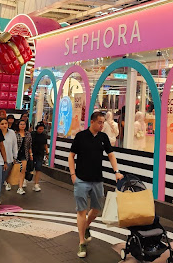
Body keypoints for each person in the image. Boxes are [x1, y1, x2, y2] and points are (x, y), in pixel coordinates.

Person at [68, 111, 123, 258]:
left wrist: (116, 171)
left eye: (103, 122)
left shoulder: (103, 137)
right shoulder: (81, 136)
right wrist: (73, 174)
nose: (102, 125)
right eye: (99, 122)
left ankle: (85, 226)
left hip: (97, 179)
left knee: (97, 209)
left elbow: (111, 155)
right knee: (81, 210)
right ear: (92, 122)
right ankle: (81, 242)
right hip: (81, 179)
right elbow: (71, 156)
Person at [0, 118, 17, 204]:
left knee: (3, 179)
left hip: (9, 159)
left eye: (6, 123)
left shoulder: (12, 133)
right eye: (2, 124)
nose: (4, 125)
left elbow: (14, 145)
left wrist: (15, 156)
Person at [14, 119, 32, 194]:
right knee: (14, 169)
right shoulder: (15, 134)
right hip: (16, 153)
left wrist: (30, 154)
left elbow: (29, 145)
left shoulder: (28, 134)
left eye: (24, 124)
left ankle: (20, 187)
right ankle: (9, 182)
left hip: (24, 153)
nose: (22, 126)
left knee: (23, 169)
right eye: (21, 124)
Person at [31, 123, 49, 192]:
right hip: (32, 153)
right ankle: (25, 179)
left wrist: (47, 153)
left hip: (40, 154)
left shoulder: (44, 136)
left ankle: (36, 184)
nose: (41, 130)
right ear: (37, 128)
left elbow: (45, 144)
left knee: (38, 168)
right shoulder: (32, 134)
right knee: (30, 167)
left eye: (42, 129)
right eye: (40, 129)